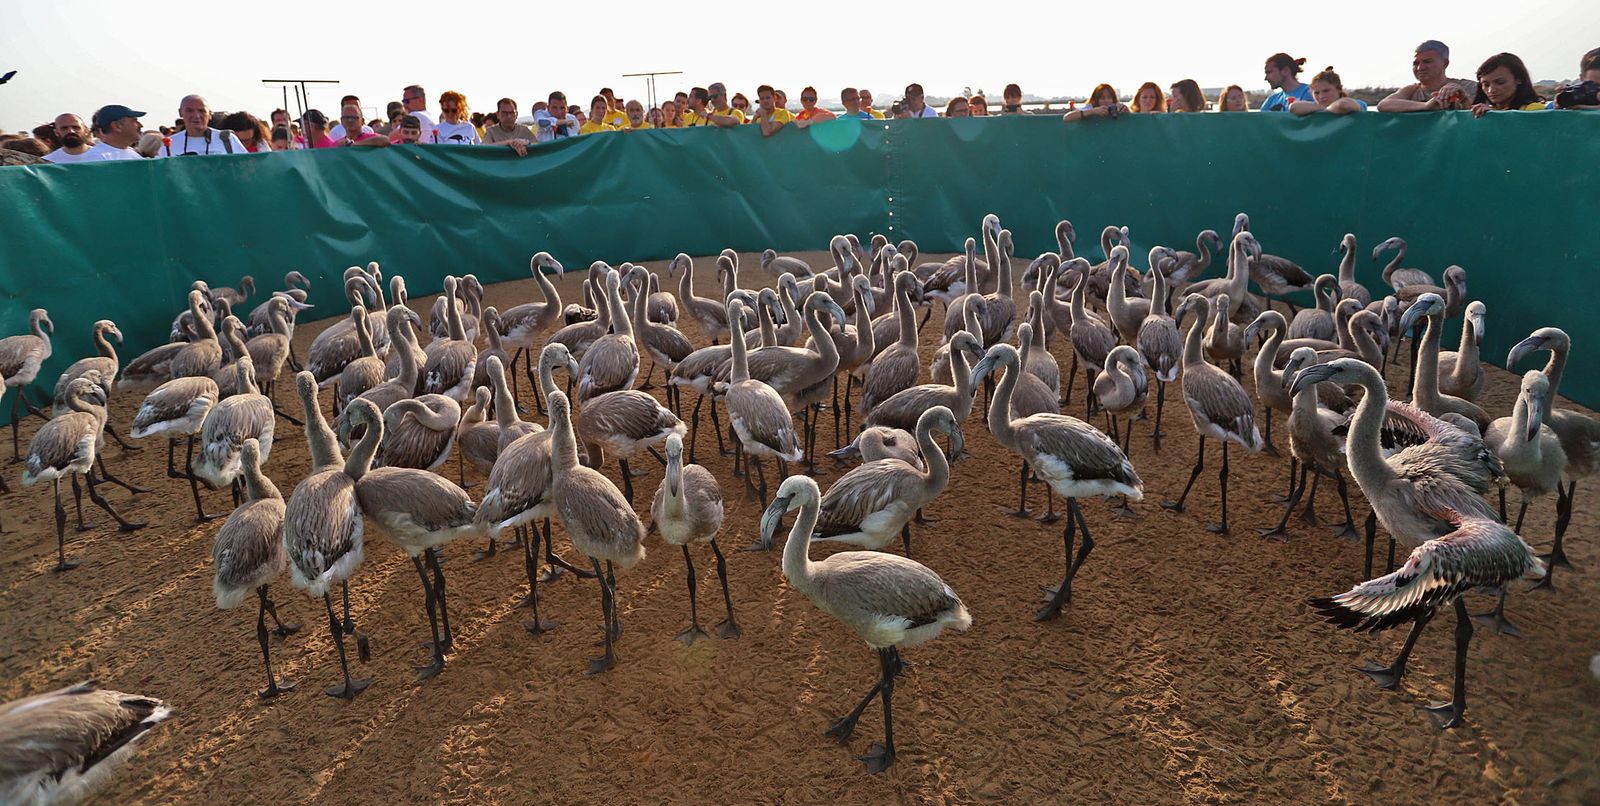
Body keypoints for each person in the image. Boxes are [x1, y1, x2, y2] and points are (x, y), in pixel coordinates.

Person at [1377, 41, 1477, 113]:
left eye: (1427, 62)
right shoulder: (1411, 90)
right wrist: (1426, 106)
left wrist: (1463, 99)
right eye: (1416, 63)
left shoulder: (1469, 86)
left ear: (1445, 63)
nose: (1420, 68)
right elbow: (1383, 105)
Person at [156, 95, 247, 157]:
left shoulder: (227, 139)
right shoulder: (169, 144)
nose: (196, 116)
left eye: (201, 111)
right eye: (190, 110)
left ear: (210, 114)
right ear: (180, 112)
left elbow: (245, 168)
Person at [1472, 52, 1546, 116]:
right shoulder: (1484, 111)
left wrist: (1496, 117)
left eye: (1500, 82)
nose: (1491, 90)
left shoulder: (1534, 110)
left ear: (1518, 79)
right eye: (1486, 85)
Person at [1290, 67, 1368, 115]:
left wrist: (1324, 109)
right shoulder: (1314, 106)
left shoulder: (1358, 103)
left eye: (1326, 91)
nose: (1321, 96)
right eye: (1316, 93)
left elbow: (1343, 106)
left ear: (1339, 89)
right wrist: (1322, 107)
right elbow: (1293, 107)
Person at [1062, 83, 1128, 121]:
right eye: (1102, 98)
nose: (1106, 100)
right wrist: (1092, 111)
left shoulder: (1116, 107)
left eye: (1109, 97)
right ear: (1096, 99)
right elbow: (1066, 118)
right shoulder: (1090, 107)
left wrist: (1126, 110)